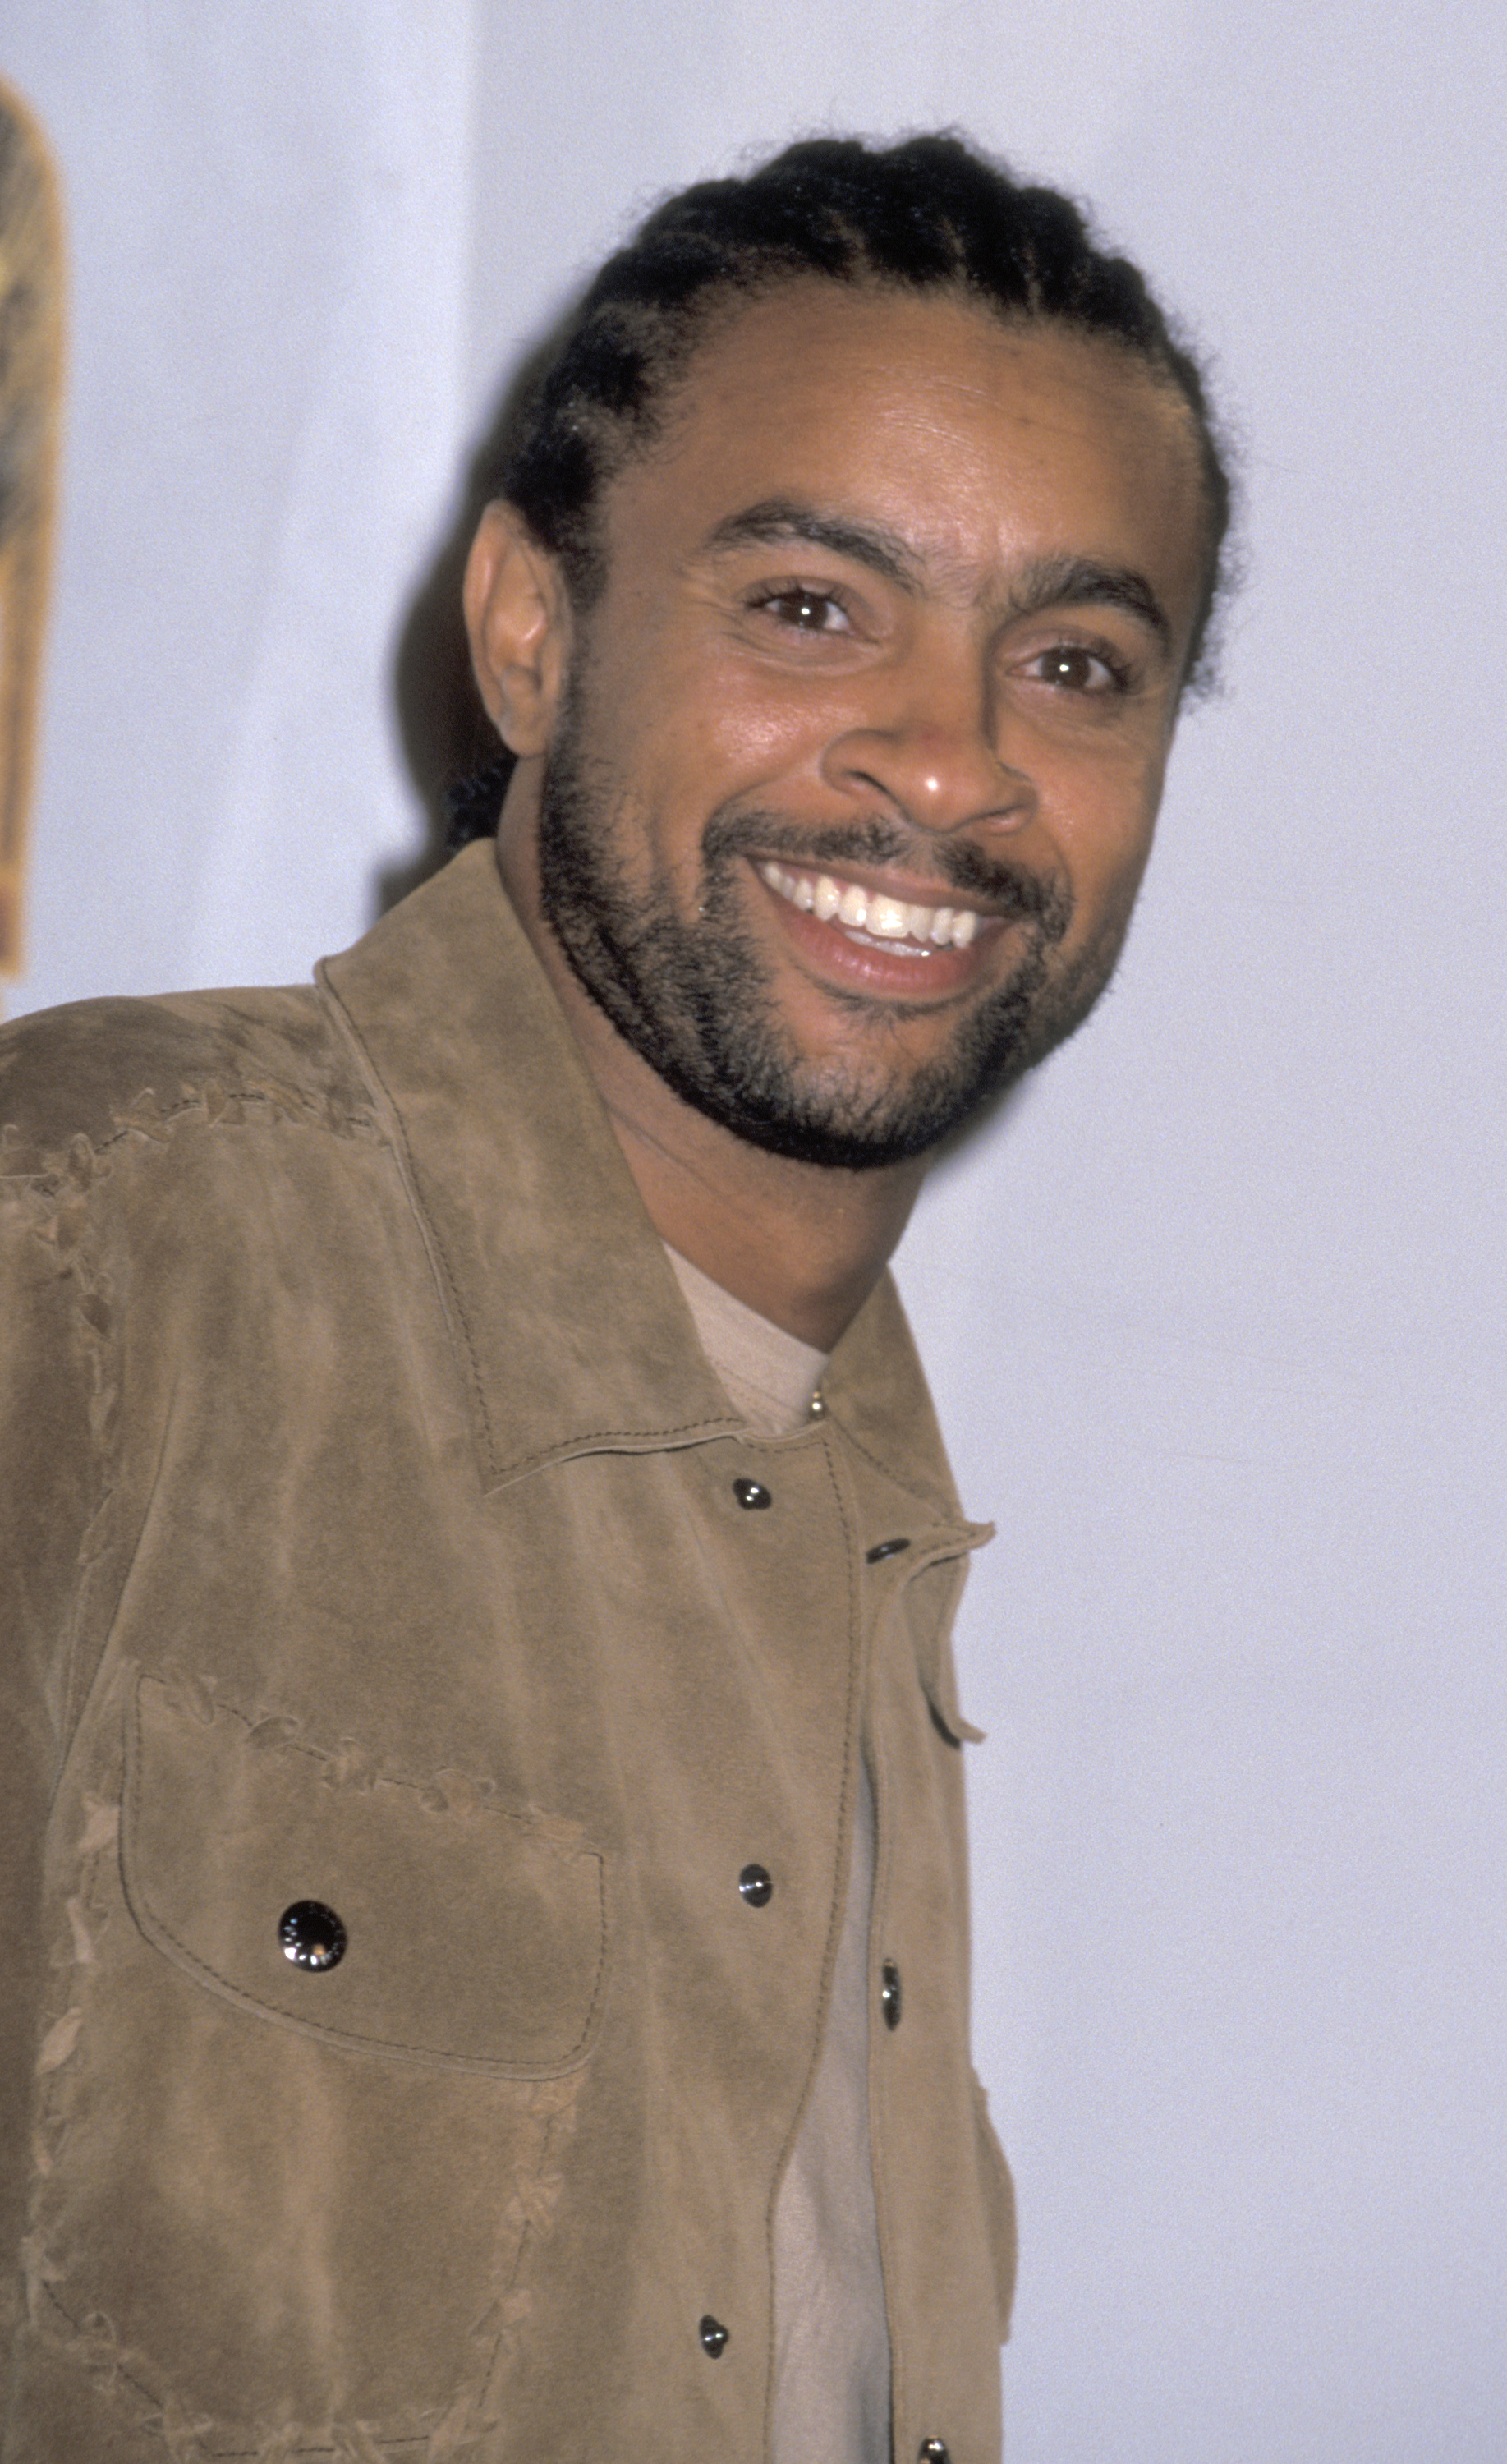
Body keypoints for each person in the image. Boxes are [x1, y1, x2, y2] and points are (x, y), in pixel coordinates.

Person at [0, 133, 1233, 2462]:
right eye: (811, 606)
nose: (954, 759)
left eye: (1074, 663)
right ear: (529, 633)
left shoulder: (869, 1486)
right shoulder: (86, 1254)